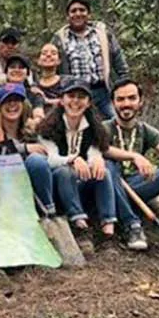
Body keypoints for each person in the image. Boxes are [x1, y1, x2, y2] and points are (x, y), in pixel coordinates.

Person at [103, 78, 159, 250]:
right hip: (111, 190)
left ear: (140, 101)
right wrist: (134, 156)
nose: (126, 104)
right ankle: (132, 225)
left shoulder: (145, 130)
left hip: (137, 187)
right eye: (120, 99)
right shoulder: (105, 128)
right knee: (108, 164)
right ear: (113, 103)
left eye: (131, 98)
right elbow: (103, 149)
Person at [38, 78, 116, 236]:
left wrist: (97, 160)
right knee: (64, 171)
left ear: (88, 103)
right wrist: (73, 159)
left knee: (104, 171)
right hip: (58, 186)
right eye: (71, 96)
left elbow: (93, 154)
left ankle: (108, 222)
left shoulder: (94, 128)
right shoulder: (47, 128)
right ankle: (78, 219)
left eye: (81, 97)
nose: (75, 101)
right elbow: (51, 159)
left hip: (82, 184)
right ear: (61, 100)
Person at [0, 83, 54, 215]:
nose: (12, 104)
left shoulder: (34, 131)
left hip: (34, 190)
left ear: (23, 105)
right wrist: (24, 148)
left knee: (37, 162)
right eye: (6, 101)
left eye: (16, 100)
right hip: (2, 191)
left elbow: (47, 153)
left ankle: (48, 211)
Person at [51, 0, 130, 119]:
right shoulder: (60, 38)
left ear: (89, 14)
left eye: (82, 10)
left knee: (118, 121)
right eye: (73, 11)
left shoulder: (102, 34)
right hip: (76, 94)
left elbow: (118, 58)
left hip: (104, 92)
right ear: (68, 16)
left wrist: (125, 85)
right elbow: (52, 68)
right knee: (77, 127)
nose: (78, 14)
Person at [0, 54, 45, 121]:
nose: (16, 70)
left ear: (27, 73)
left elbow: (39, 115)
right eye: (12, 67)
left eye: (21, 67)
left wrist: (35, 121)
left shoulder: (34, 94)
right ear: (6, 72)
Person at [31, 43, 63, 113]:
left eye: (53, 53)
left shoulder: (67, 82)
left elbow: (70, 101)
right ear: (38, 61)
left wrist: (46, 100)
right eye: (44, 53)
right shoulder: (34, 86)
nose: (48, 55)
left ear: (59, 61)